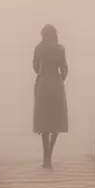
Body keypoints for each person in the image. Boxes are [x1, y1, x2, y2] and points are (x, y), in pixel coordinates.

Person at [32, 24, 69, 168]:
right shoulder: (60, 49)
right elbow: (64, 69)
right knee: (56, 120)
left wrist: (43, 73)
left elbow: (35, 67)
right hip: (56, 84)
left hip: (43, 84)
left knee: (44, 120)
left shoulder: (38, 49)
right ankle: (50, 153)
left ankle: (45, 156)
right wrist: (60, 78)